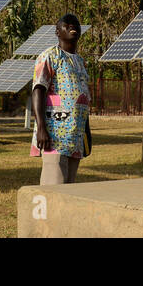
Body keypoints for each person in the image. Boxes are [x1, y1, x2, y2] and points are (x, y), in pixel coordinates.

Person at [31, 14, 90, 185]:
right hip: (54, 136)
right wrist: (41, 127)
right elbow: (38, 90)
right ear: (58, 32)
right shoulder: (50, 56)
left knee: (69, 190)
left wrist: (86, 131)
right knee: (53, 187)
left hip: (76, 137)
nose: (73, 27)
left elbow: (82, 99)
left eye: (76, 25)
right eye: (67, 25)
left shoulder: (81, 62)